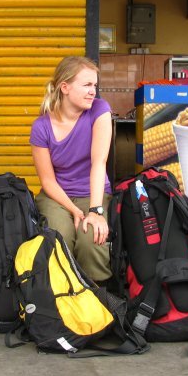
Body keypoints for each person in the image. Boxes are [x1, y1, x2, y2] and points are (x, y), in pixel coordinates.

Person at [29, 56, 112, 283]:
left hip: (92, 192)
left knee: (91, 238)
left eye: (95, 85)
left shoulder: (99, 110)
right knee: (59, 237)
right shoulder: (41, 127)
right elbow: (47, 181)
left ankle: (99, 297)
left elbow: (99, 162)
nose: (93, 91)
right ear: (65, 87)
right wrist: (74, 211)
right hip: (57, 195)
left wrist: (95, 211)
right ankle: (62, 297)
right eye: (86, 85)